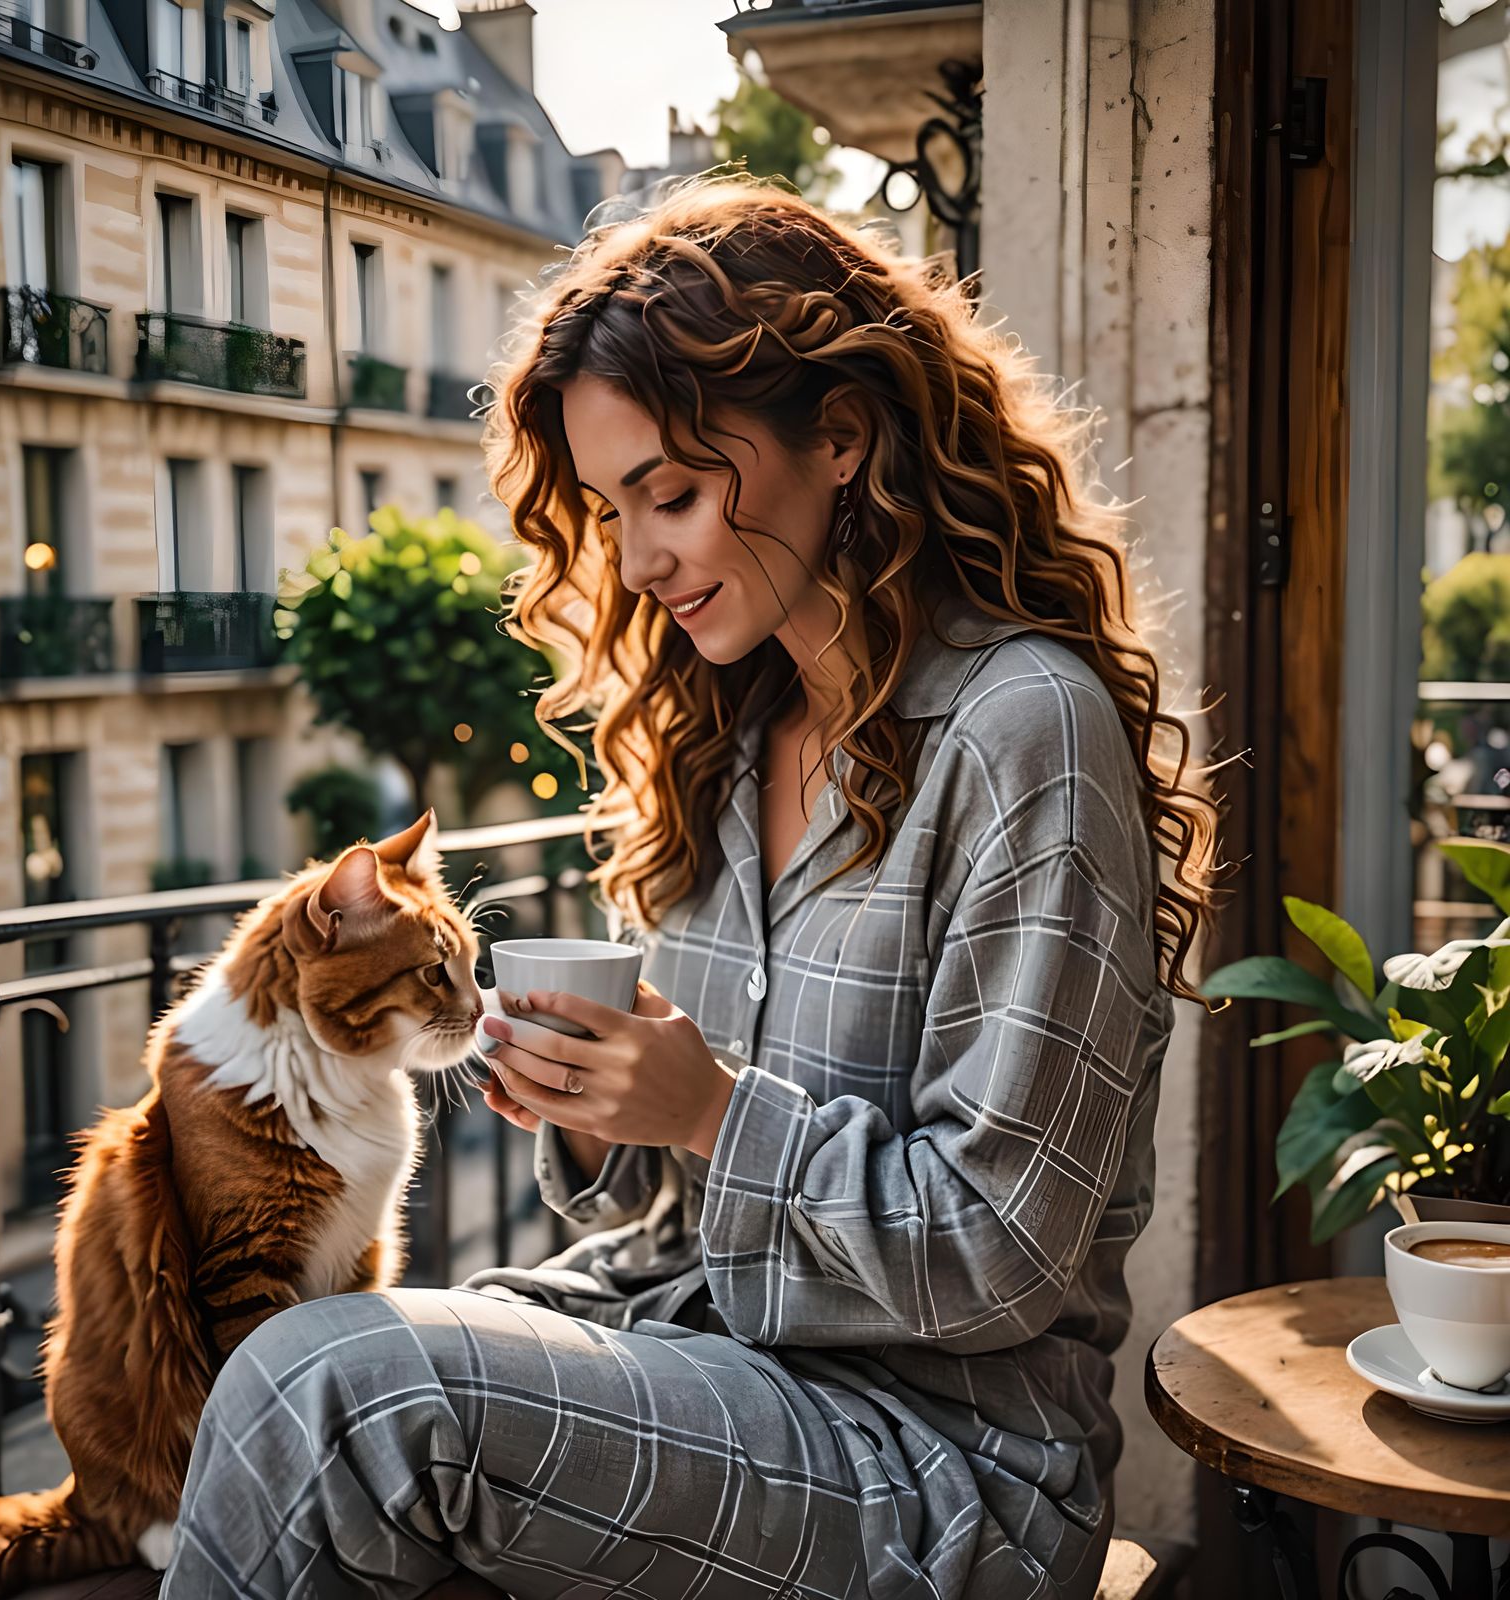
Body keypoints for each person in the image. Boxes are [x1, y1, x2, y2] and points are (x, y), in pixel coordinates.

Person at [158, 171, 1224, 1600]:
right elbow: (653, 1222)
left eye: (673, 492)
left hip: (946, 1460)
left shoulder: (1023, 730)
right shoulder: (724, 743)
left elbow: (1003, 1256)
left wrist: (710, 1110)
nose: (641, 558)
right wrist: (597, 1117)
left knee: (339, 1390)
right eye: (611, 509)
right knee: (294, 1375)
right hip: (706, 1347)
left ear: (840, 436)